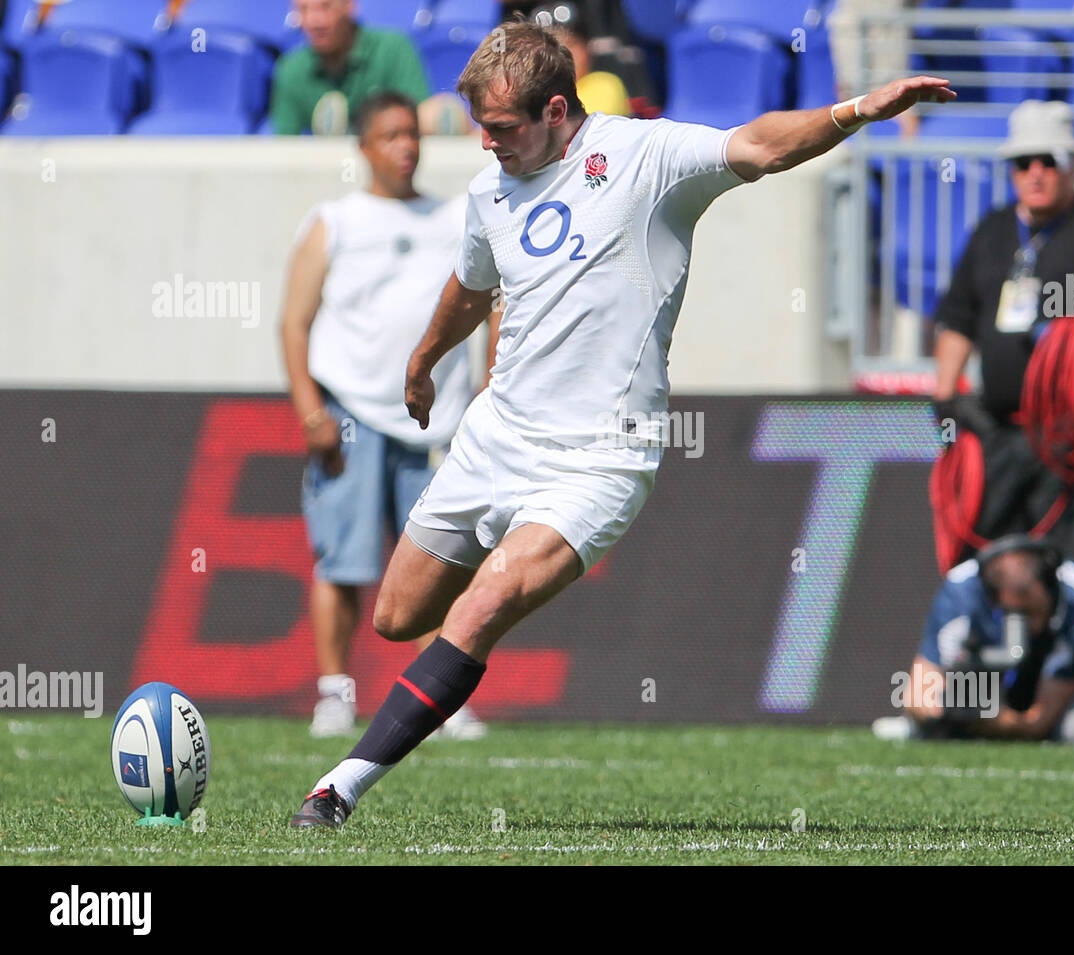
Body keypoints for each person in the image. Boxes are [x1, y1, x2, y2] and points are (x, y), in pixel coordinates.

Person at [289, 19, 956, 827]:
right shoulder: (487, 192)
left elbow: (760, 146)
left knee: (486, 597)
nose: (487, 145)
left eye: (501, 129)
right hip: (496, 437)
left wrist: (856, 109)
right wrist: (424, 359)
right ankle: (446, 658)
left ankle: (339, 786)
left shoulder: (645, 158)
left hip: (597, 461)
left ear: (558, 111)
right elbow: (472, 285)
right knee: (397, 616)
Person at [280, 91, 491, 741]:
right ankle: (335, 693)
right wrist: (311, 409)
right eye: (392, 135)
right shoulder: (334, 222)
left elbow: (491, 297)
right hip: (351, 412)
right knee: (342, 564)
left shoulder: (456, 214)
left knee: (435, 568)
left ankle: (440, 698)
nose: (407, 146)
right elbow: (294, 320)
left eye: (413, 135)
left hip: (433, 417)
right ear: (364, 147)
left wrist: (488, 386)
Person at [930, 100, 1074, 587]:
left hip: (1072, 437)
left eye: (1048, 161)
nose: (1035, 173)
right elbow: (957, 316)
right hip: (998, 432)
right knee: (987, 568)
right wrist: (945, 392)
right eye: (1023, 163)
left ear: (1073, 166)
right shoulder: (993, 232)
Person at [874, 535, 1074, 742]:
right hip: (1014, 674)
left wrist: (983, 721)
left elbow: (1037, 721)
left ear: (1050, 588)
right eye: (1018, 614)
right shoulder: (960, 594)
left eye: (1036, 613)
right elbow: (919, 690)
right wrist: (939, 711)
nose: (1032, 627)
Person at [271, 0, 430, 135]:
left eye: (326, 6)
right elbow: (285, 142)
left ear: (349, 5)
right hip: (324, 166)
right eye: (304, 10)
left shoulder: (393, 49)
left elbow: (417, 119)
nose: (314, 21)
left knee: (433, 114)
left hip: (388, 163)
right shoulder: (290, 69)